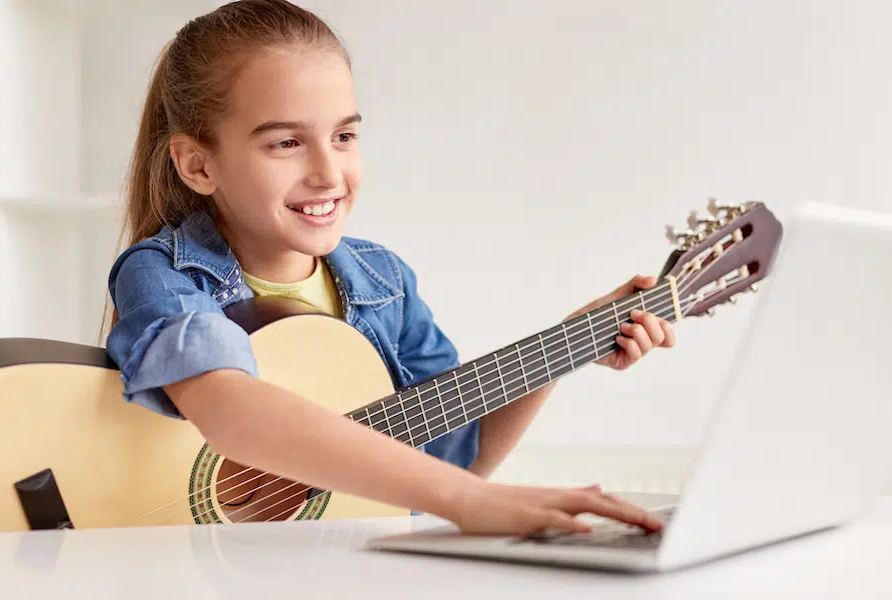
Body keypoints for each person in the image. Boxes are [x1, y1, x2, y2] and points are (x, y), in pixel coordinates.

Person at [105, 0, 676, 535]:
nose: (328, 172)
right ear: (198, 164)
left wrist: (566, 345)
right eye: (285, 143)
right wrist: (471, 503)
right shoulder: (160, 274)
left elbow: (456, 459)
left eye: (344, 135)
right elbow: (230, 411)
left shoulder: (384, 283)